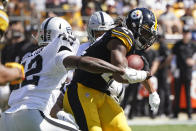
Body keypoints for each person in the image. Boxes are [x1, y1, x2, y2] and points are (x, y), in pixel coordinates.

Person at [0, 16, 139, 131]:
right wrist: (117, 69)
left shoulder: (27, 57)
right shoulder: (56, 50)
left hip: (6, 120)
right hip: (32, 115)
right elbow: (82, 62)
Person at [63, 8, 160, 131]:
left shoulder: (131, 45)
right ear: (135, 26)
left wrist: (152, 92)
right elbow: (120, 74)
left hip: (102, 93)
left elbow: (139, 71)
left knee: (122, 129)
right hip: (81, 90)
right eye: (146, 33)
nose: (147, 38)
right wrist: (143, 75)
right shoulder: (124, 34)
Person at [172, 26, 196, 119]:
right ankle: (175, 114)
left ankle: (189, 114)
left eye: (187, 33)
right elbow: (173, 58)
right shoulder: (178, 45)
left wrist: (193, 62)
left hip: (188, 71)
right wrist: (174, 70)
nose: (186, 35)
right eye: (184, 33)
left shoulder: (193, 45)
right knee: (177, 93)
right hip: (179, 71)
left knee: (188, 93)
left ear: (189, 34)